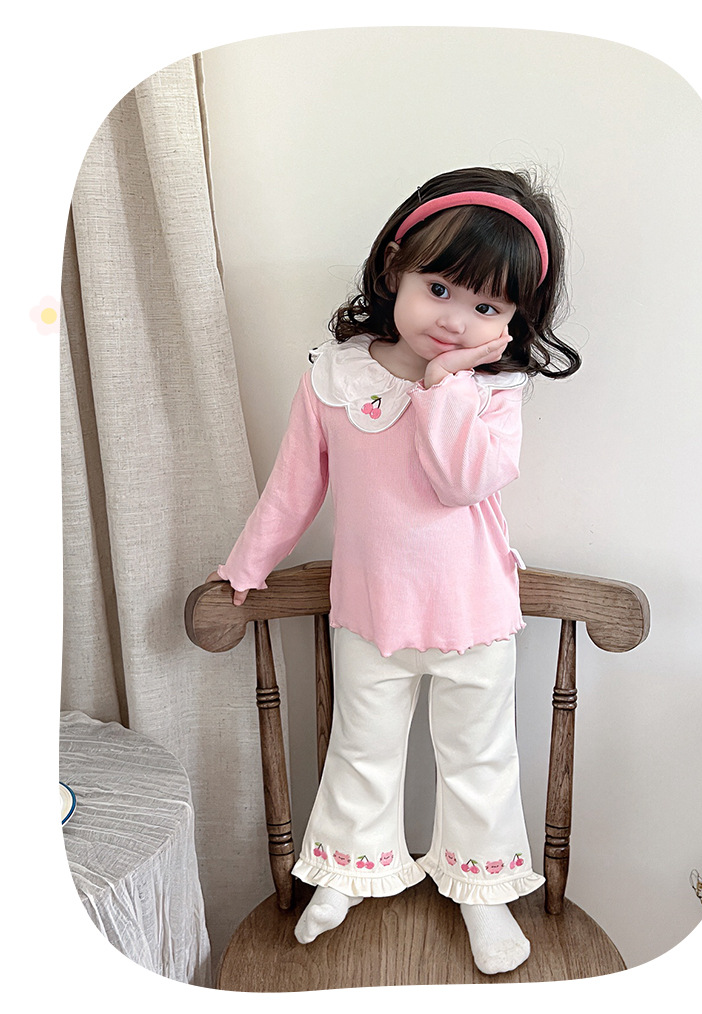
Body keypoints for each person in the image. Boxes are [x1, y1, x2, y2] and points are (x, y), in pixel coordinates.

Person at [206, 166, 580, 975]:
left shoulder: (495, 392)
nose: (455, 319)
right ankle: (347, 872)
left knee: (478, 759)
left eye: (487, 308)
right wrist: (249, 564)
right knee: (361, 750)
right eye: (439, 289)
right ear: (394, 269)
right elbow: (294, 486)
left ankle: (483, 895)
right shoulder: (335, 374)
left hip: (473, 614)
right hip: (370, 610)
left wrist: (445, 385)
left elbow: (461, 483)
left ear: (513, 320)